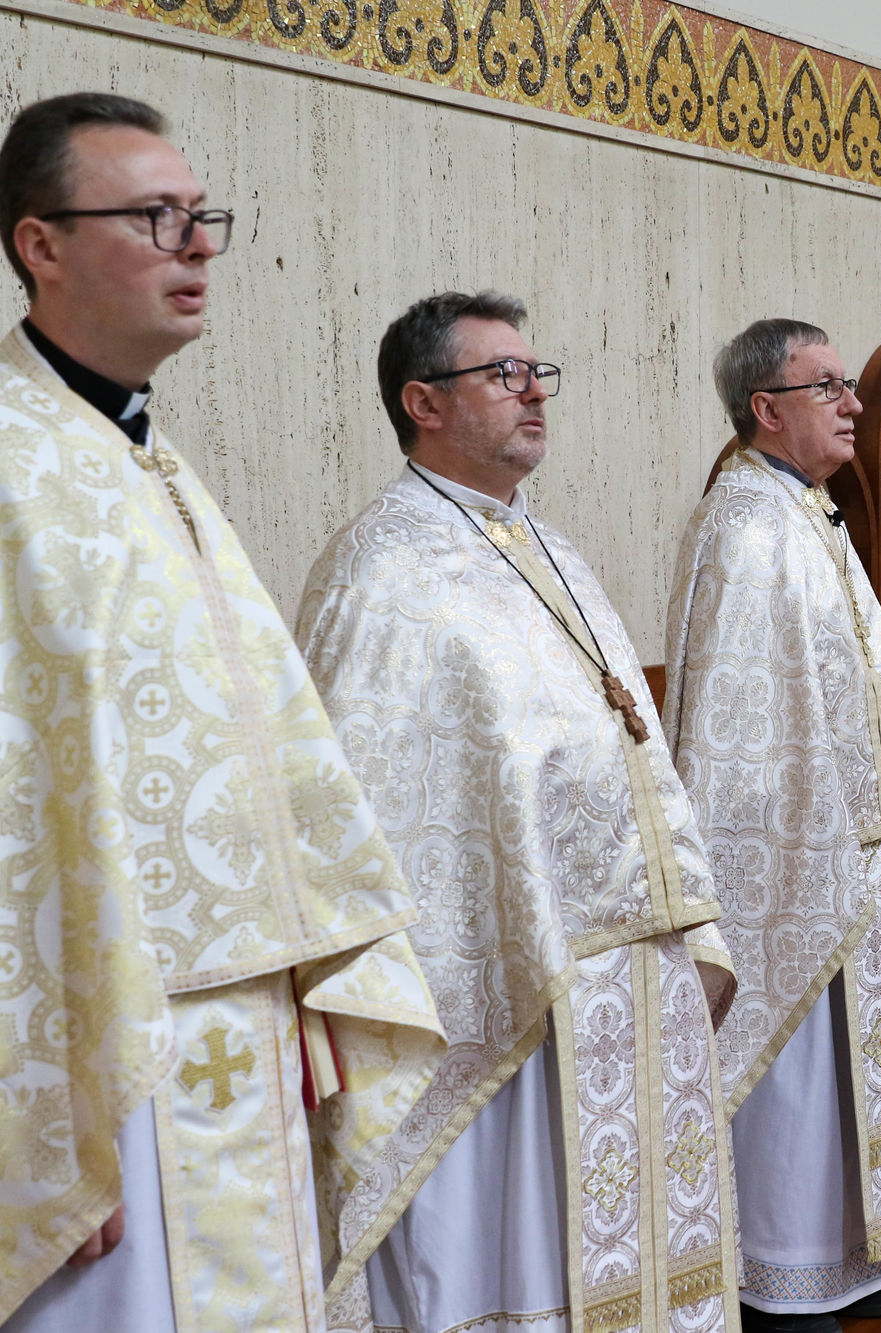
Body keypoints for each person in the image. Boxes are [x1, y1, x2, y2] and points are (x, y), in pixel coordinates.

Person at [0, 92, 440, 1331]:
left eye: (203, 216)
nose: (197, 245)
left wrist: (309, 977)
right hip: (95, 1050)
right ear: (41, 243)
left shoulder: (153, 463)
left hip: (238, 1028)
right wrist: (28, 1119)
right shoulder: (14, 466)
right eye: (156, 217)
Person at [297, 291, 739, 1333]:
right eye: (502, 373)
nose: (534, 391)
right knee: (508, 1245)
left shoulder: (546, 546)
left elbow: (622, 729)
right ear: (423, 402)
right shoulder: (381, 569)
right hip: (493, 984)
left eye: (538, 371)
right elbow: (363, 805)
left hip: (620, 966)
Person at [663, 319, 881, 1332]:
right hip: (789, 860)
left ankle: (852, 1252)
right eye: (826, 386)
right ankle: (782, 1269)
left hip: (850, 844)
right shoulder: (746, 527)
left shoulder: (802, 510)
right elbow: (733, 730)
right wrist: (792, 851)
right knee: (796, 1070)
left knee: (849, 1071)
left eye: (847, 385)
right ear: (766, 408)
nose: (852, 403)